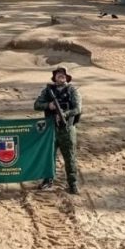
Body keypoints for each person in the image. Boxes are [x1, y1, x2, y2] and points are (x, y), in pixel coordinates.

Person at [33, 66, 82, 194]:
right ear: (54, 77)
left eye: (63, 74)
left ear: (66, 77)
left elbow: (77, 109)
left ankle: (73, 184)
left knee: (70, 157)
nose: (61, 76)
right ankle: (48, 180)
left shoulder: (72, 90)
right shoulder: (48, 91)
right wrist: (49, 105)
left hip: (67, 129)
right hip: (51, 130)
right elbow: (36, 105)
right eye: (58, 74)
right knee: (49, 156)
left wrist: (64, 114)